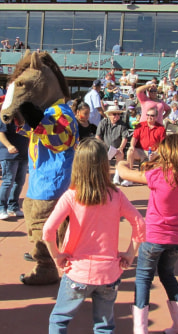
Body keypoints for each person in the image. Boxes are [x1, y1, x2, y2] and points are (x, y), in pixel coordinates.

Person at [43, 138, 146, 334]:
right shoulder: (115, 195)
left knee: (59, 319)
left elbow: (48, 230)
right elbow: (139, 224)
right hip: (109, 272)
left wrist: (56, 255)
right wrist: (130, 254)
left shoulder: (71, 196)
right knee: (104, 325)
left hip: (77, 271)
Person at [117, 129, 178, 334]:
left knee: (143, 278)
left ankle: (140, 328)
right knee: (168, 275)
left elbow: (124, 173)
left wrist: (121, 161)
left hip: (154, 237)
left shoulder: (161, 176)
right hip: (177, 239)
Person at [0, 115, 29, 220]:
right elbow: (0, 132)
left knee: (20, 181)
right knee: (8, 181)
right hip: (9, 154)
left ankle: (13, 206)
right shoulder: (5, 116)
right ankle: (1, 208)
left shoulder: (25, 116)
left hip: (23, 153)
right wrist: (9, 146)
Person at [95, 105, 129, 185]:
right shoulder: (103, 122)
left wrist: (121, 148)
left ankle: (116, 177)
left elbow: (125, 138)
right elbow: (97, 136)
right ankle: (101, 177)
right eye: (114, 114)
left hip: (116, 148)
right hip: (104, 147)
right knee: (99, 155)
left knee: (120, 154)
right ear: (109, 115)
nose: (117, 116)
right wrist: (103, 145)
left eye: (118, 114)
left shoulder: (122, 124)